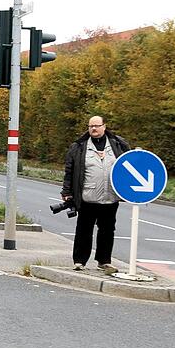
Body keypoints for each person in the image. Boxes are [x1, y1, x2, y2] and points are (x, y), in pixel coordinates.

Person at [62, 115, 130, 274]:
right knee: (84, 230)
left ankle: (104, 261)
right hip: (87, 197)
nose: (94, 129)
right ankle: (79, 261)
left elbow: (128, 165)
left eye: (97, 125)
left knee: (107, 231)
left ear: (104, 126)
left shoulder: (118, 144)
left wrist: (127, 189)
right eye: (91, 126)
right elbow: (69, 171)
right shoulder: (79, 146)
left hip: (110, 197)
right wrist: (67, 192)